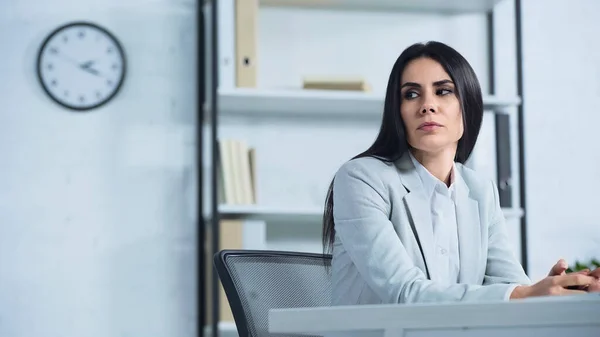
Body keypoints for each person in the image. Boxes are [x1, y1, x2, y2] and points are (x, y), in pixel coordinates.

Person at [321, 41, 600, 306]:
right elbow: (404, 292)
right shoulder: (360, 178)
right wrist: (524, 294)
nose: (427, 105)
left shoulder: (480, 189)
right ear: (398, 112)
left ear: (467, 106)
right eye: (411, 94)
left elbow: (508, 285)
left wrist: (557, 290)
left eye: (443, 91)